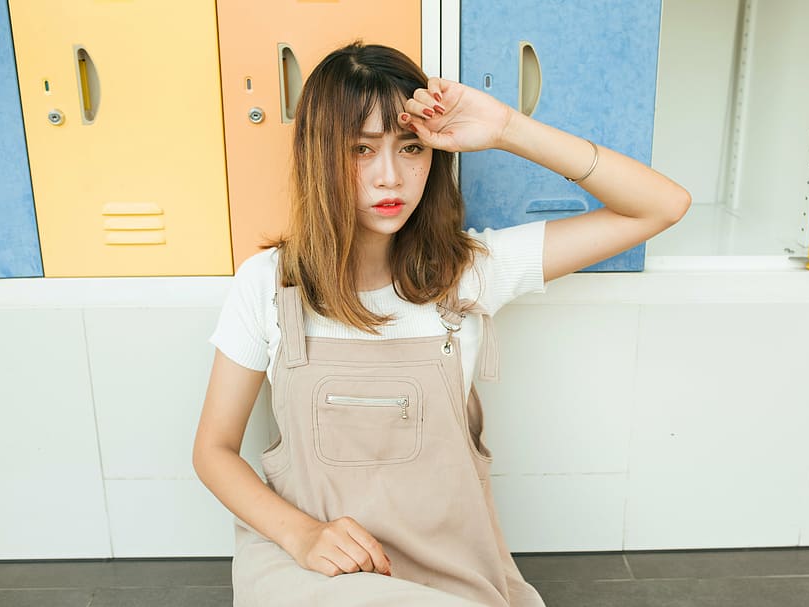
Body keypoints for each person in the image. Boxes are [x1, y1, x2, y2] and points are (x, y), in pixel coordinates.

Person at [193, 42, 690, 607]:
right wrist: (301, 534)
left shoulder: (471, 273)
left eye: (410, 147)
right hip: (310, 570)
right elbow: (214, 448)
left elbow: (662, 205)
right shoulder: (269, 283)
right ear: (319, 155)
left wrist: (506, 127)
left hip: (447, 573)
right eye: (361, 149)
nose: (391, 178)